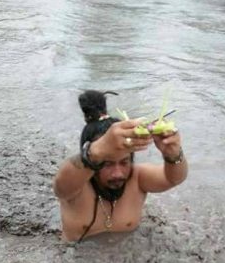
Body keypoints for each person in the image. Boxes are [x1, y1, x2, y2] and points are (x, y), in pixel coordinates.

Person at [53, 90, 188, 242]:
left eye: (124, 162)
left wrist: (173, 154)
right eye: (107, 164)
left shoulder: (137, 178)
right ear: (93, 161)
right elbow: (60, 187)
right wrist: (98, 150)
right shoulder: (76, 185)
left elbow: (174, 179)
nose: (117, 173)